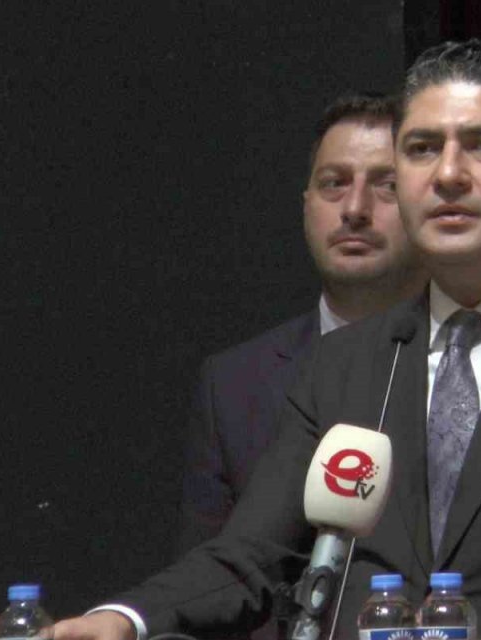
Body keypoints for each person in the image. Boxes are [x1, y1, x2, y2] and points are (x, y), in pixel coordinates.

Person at [53, 41, 481, 640]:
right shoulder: (346, 363)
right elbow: (249, 557)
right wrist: (125, 618)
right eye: (422, 148)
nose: (448, 175)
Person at [177, 92, 427, 555]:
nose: (355, 208)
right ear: (306, 204)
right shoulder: (232, 384)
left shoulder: (469, 363)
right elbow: (205, 573)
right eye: (334, 183)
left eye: (388, 186)